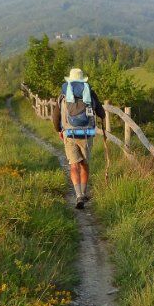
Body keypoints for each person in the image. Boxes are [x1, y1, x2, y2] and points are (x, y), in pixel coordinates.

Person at [52, 67, 105, 208]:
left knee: (74, 165)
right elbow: (101, 113)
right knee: (84, 164)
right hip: (87, 134)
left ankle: (78, 195)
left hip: (69, 134)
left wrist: (59, 130)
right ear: (82, 80)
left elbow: (55, 116)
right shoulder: (90, 93)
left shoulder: (63, 95)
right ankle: (83, 191)